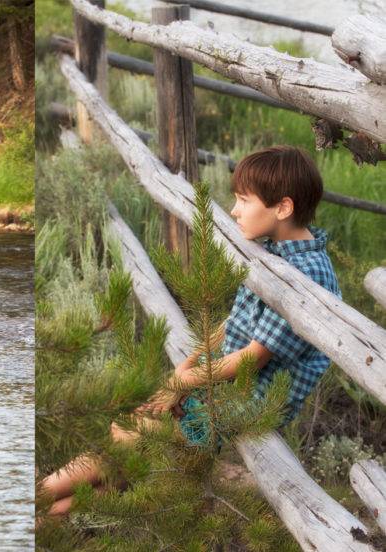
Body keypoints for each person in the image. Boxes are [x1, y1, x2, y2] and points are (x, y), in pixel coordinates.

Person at [38, 145, 342, 517]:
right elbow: (233, 325)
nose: (234, 210)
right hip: (223, 392)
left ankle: (29, 510)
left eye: (244, 201)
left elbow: (252, 358)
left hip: (241, 404)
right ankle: (37, 516)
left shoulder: (305, 276)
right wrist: (187, 367)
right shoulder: (276, 253)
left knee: (123, 449)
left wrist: (182, 384)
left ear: (283, 208)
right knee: (124, 464)